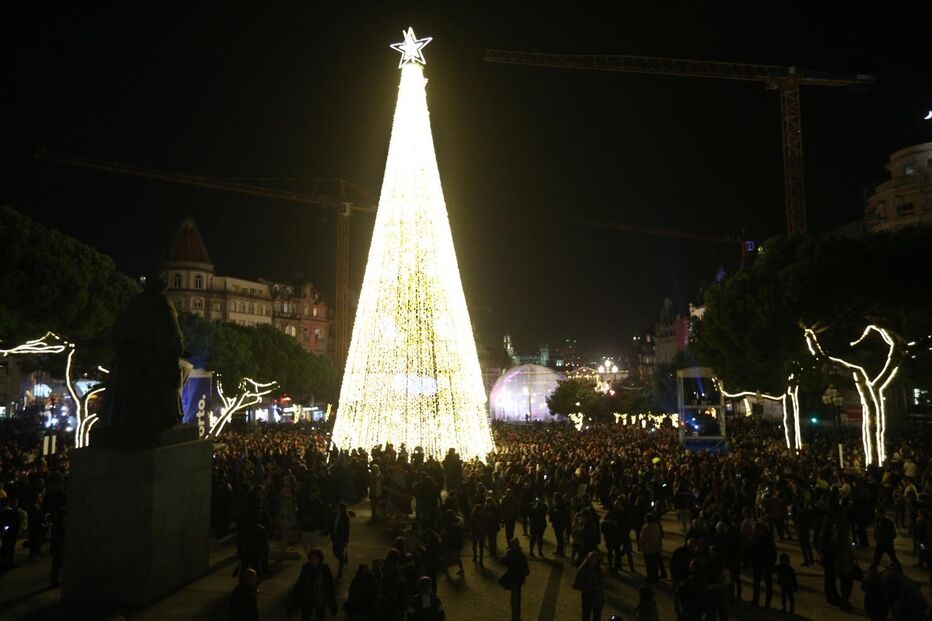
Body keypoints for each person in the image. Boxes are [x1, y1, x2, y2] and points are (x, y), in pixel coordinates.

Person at [288, 548, 337, 621]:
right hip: (308, 597)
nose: (313, 561)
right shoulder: (306, 568)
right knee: (306, 616)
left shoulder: (324, 569)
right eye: (311, 559)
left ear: (319, 559)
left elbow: (329, 585)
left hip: (320, 597)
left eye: (315, 558)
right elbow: (300, 583)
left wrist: (332, 605)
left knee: (320, 616)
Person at [502, 538, 530, 621]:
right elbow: (527, 571)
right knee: (516, 598)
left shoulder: (513, 555)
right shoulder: (521, 556)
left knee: (515, 598)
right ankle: (516, 615)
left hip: (514, 579)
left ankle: (515, 616)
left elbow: (503, 562)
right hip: (518, 580)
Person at [573, 551, 605, 621]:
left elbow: (602, 583)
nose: (592, 561)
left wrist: (600, 588)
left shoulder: (599, 570)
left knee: (597, 617)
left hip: (598, 598)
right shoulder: (582, 570)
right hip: (587, 597)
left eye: (594, 560)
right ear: (587, 559)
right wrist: (589, 587)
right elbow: (576, 585)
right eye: (591, 559)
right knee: (586, 617)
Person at [751, 522, 776, 609]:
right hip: (757, 563)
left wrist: (769, 563)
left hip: (765, 564)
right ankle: (755, 599)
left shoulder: (768, 539)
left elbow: (772, 553)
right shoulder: (757, 538)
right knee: (756, 583)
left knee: (767, 583)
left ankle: (767, 604)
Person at [639, 513, 666, 582]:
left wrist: (641, 545)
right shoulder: (656, 525)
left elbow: (643, 539)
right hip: (656, 546)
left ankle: (650, 577)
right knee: (656, 562)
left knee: (649, 564)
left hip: (648, 548)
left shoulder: (646, 527)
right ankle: (658, 575)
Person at [330, 502, 351, 578]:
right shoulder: (334, 515)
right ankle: (344, 556)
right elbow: (332, 525)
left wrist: (346, 540)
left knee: (339, 554)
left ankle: (340, 569)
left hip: (341, 538)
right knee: (335, 552)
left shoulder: (345, 517)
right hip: (335, 537)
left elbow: (347, 529)